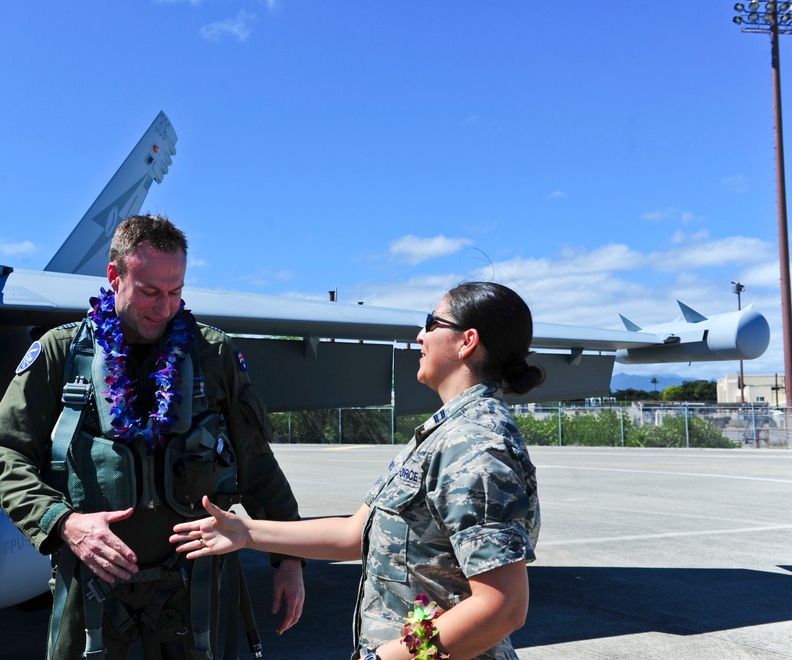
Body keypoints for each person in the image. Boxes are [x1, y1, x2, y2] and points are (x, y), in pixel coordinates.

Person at [0, 214, 305, 660]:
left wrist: (290, 557)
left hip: (194, 582)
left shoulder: (213, 355)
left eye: (175, 292)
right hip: (92, 576)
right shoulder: (62, 353)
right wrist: (63, 522)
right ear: (115, 276)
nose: (164, 306)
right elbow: (5, 452)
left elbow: (256, 462)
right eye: (150, 291)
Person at [172, 281, 544, 660]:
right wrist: (246, 531)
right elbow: (355, 533)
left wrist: (385, 658)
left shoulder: (475, 445)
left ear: (466, 342)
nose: (420, 336)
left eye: (431, 323)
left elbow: (503, 606)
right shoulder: (446, 435)